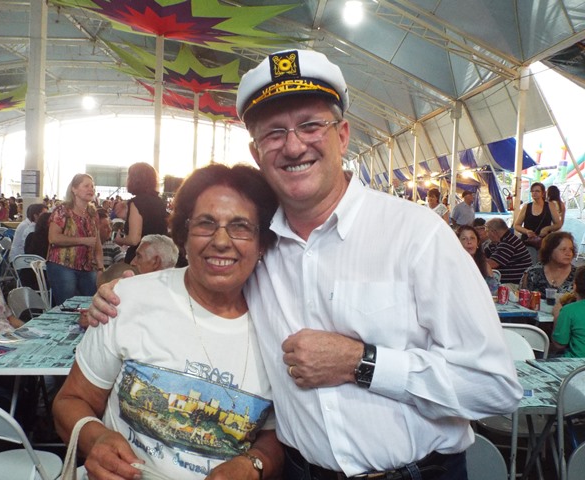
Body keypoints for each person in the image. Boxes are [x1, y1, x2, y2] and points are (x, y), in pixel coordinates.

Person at [89, 49, 522, 480]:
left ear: (343, 135)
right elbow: (200, 285)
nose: (294, 145)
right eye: (274, 133)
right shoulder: (255, 246)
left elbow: (494, 386)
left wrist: (362, 363)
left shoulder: (416, 234)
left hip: (417, 473)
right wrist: (120, 294)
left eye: (311, 125)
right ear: (256, 151)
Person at [53, 164, 283, 480]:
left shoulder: (279, 327)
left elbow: (277, 434)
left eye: (240, 226)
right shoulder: (127, 300)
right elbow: (70, 401)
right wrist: (97, 439)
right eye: (205, 223)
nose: (221, 240)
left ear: (262, 244)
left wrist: (254, 464)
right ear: (183, 237)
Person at [47, 173, 103, 305]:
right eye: (86, 186)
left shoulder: (92, 213)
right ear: (74, 189)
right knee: (67, 305)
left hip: (87, 267)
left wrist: (101, 268)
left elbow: (97, 242)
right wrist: (82, 240)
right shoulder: (63, 210)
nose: (91, 189)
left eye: (92, 186)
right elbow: (53, 238)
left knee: (92, 303)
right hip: (62, 265)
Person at [114, 162, 169, 263]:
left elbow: (134, 239)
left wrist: (119, 240)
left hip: (140, 258)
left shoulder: (136, 202)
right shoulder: (159, 202)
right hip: (157, 257)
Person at [519, 231, 576, 298]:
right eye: (563, 249)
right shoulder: (533, 272)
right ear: (550, 251)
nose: (568, 253)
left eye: (571, 249)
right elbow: (522, 299)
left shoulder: (579, 275)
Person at [513, 182, 560, 252]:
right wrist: (527, 231)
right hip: (528, 242)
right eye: (532, 191)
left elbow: (558, 224)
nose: (534, 193)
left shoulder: (550, 206)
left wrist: (547, 228)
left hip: (544, 243)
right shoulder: (526, 206)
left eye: (537, 191)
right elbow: (516, 225)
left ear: (543, 193)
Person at [484, 218, 532, 284]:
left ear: (493, 232)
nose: (486, 234)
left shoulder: (509, 242)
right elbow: (483, 255)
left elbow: (492, 264)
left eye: (487, 231)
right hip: (504, 283)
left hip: (515, 285)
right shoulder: (496, 242)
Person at [552, 266, 585, 357]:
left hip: (576, 363)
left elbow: (559, 345)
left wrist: (557, 316)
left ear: (574, 286)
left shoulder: (569, 310)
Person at [457, 225, 498, 294]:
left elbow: (494, 291)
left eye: (472, 238)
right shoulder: (454, 264)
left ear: (478, 242)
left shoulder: (484, 264)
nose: (469, 242)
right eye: (464, 239)